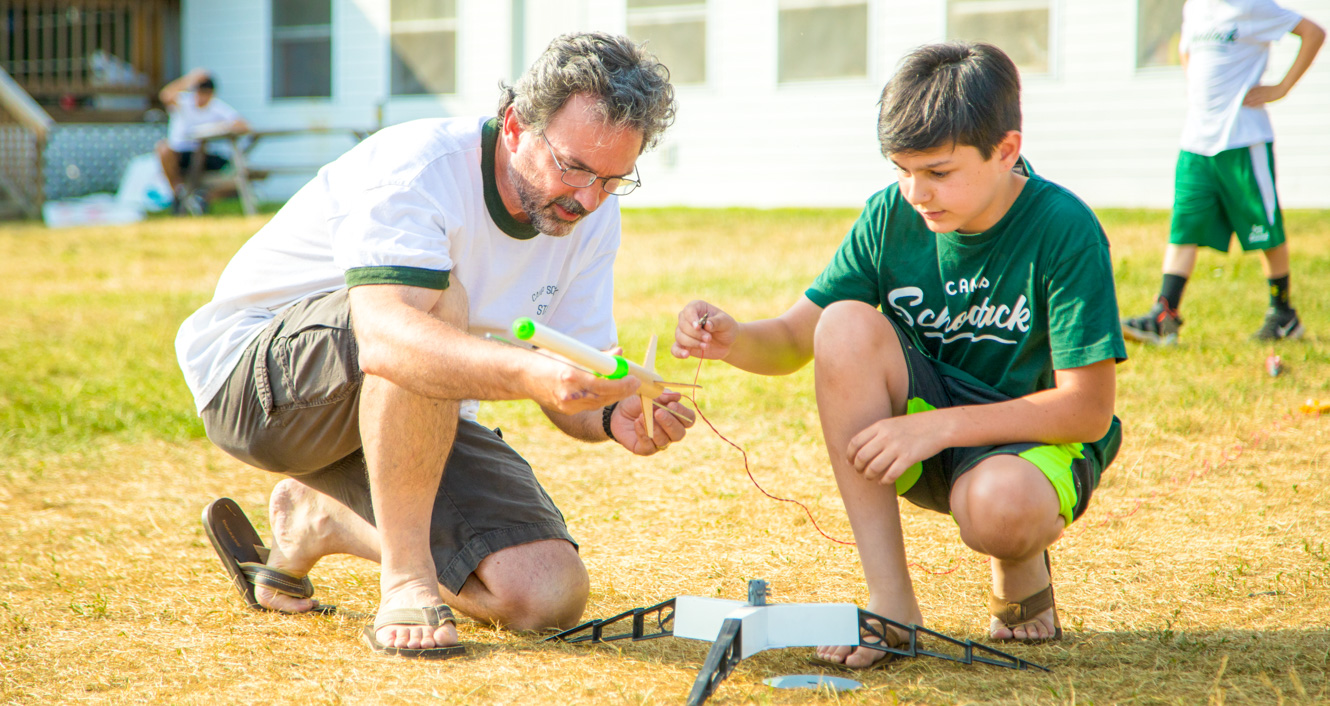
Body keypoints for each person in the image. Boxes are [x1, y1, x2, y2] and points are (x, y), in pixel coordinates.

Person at [177, 32, 693, 660]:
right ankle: (406, 578)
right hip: (255, 387)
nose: (587, 198)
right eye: (574, 166)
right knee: (435, 304)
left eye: (613, 180)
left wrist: (612, 413)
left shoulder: (591, 216)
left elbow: (573, 378)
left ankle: (321, 516)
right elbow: (392, 339)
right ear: (514, 126)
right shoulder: (419, 165)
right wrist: (526, 373)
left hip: (415, 405)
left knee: (545, 594)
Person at [672, 42, 1126, 667]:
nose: (916, 192)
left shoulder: (1063, 227)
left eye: (938, 172)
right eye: (900, 169)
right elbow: (795, 338)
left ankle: (1018, 560)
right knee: (844, 324)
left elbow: (1088, 411)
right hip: (919, 436)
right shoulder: (890, 215)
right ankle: (892, 605)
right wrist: (733, 338)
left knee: (999, 509)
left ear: (1006, 151)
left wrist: (936, 426)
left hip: (1028, 443)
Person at [1122, 0, 1324, 345]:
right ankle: (1164, 314)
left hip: (1243, 137)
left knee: (1264, 227)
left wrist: (1281, 88)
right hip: (1197, 141)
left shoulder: (1250, 6)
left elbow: (1313, 32)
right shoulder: (1194, 8)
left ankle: (1283, 315)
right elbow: (1187, 53)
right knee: (1184, 225)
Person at [156, 68, 249, 214]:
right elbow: (165, 95)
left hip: (204, 154)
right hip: (179, 153)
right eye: (199, 93)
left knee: (240, 175)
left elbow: (243, 125)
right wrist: (191, 78)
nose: (202, 98)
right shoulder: (184, 102)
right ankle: (178, 193)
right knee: (163, 148)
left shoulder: (216, 107)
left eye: (206, 94)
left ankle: (202, 199)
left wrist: (222, 126)